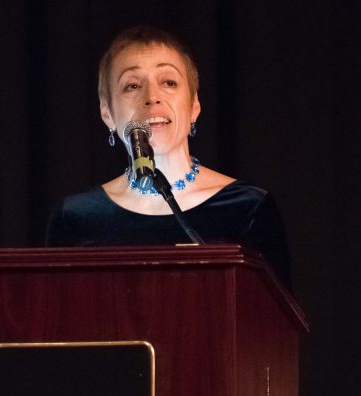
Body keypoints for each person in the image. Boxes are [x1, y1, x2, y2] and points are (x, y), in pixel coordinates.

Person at [46, 25, 291, 288]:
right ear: (107, 113)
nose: (152, 98)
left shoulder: (248, 208)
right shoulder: (75, 219)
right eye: (132, 86)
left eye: (169, 82)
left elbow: (275, 324)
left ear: (194, 105)